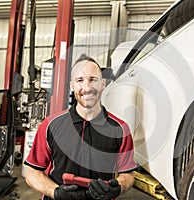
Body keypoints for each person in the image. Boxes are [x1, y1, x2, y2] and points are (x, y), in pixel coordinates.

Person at [24, 54, 137, 200]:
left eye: (93, 80)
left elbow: (127, 174)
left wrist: (117, 188)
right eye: (79, 80)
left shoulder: (120, 129)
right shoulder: (50, 126)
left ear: (103, 84)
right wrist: (55, 192)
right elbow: (32, 172)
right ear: (72, 86)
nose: (87, 87)